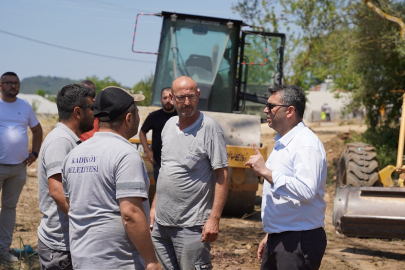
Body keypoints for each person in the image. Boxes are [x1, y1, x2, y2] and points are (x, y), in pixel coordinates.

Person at [62, 87, 161, 270]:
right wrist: (151, 260)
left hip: (82, 260)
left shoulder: (74, 154)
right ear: (129, 119)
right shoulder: (125, 155)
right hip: (118, 262)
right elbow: (130, 213)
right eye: (137, 113)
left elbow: (71, 205)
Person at [245, 84, 327, 270]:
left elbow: (306, 190)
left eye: (271, 106)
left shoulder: (306, 144)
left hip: (298, 241)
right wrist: (272, 234)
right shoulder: (284, 142)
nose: (266, 110)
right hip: (282, 237)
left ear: (289, 111)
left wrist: (265, 172)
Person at [150, 76, 229, 270]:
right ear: (171, 97)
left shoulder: (209, 128)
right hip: (161, 225)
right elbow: (166, 171)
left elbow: (222, 175)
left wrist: (214, 219)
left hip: (192, 226)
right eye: (181, 97)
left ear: (198, 96)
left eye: (191, 97)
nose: (186, 102)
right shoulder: (168, 126)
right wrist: (154, 207)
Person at [37, 84, 95, 270]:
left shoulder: (69, 139)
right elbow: (57, 190)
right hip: (60, 246)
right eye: (92, 108)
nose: (94, 114)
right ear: (78, 112)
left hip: (68, 242)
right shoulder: (61, 141)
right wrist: (85, 225)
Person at [0, 71, 43, 262]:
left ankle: (3, 250)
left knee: (9, 208)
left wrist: (34, 153)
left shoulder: (25, 106)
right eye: (9, 82)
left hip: (18, 168)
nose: (13, 86)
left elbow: (37, 129)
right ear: (0, 85)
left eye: (16, 83)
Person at [139, 87, 177, 182]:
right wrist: (147, 151)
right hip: (158, 164)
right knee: (159, 192)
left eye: (170, 98)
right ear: (161, 100)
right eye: (165, 98)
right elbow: (142, 132)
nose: (168, 101)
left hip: (177, 163)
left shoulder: (181, 116)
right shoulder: (154, 116)